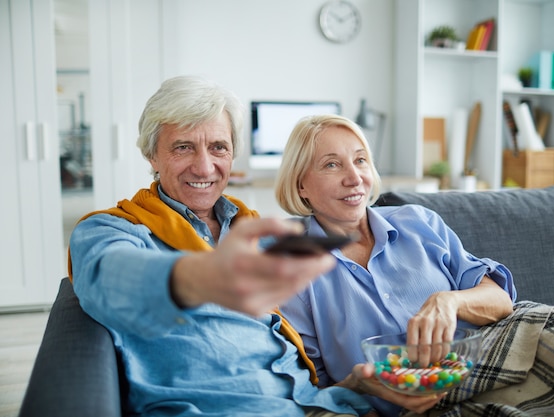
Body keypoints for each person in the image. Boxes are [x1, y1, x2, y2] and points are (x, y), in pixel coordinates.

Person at [68, 75, 433, 417]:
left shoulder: (257, 233)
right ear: (152, 155)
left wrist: (356, 383)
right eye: (183, 147)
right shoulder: (113, 229)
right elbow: (108, 276)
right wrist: (201, 274)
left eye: (218, 147)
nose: (204, 166)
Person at [275, 114, 554, 417]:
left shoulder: (418, 222)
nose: (355, 178)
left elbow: (501, 301)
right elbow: (312, 391)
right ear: (301, 184)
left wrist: (450, 301)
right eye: (332, 164)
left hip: (509, 346)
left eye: (361, 160)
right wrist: (362, 384)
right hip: (431, 402)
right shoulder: (294, 270)